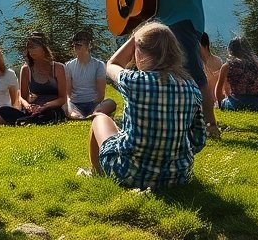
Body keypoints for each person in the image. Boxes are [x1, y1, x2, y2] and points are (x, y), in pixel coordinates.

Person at [117, 0, 219, 138]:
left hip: (182, 21)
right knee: (176, 73)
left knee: (194, 73)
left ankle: (211, 126)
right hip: (174, 20)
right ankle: (186, 124)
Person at [88, 20, 207, 189]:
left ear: (140, 51)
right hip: (178, 177)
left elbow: (112, 65)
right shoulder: (191, 86)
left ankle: (96, 172)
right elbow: (199, 141)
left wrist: (134, 38)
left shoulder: (134, 81)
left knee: (99, 118)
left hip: (129, 174)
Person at [0, 33, 69, 125]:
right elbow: (23, 97)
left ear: (44, 48)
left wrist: (45, 106)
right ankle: (31, 118)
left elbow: (62, 98)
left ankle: (27, 119)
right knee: (4, 110)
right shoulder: (26, 69)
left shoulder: (57, 68)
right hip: (34, 107)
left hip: (52, 107)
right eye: (29, 48)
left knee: (49, 114)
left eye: (34, 47)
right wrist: (28, 106)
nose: (31, 51)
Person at [216, 38, 258, 111]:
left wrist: (221, 103)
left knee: (225, 102)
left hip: (236, 104)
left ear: (230, 50)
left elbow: (219, 90)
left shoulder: (227, 66)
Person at [65, 31, 116, 119]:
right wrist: (69, 104)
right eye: (74, 45)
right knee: (66, 105)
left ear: (88, 46)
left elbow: (101, 93)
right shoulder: (69, 65)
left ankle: (95, 113)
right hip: (75, 104)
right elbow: (68, 93)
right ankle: (77, 115)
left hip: (93, 103)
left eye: (79, 45)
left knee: (111, 103)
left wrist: (96, 105)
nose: (75, 47)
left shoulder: (98, 65)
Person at [199, 33, 224, 101]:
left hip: (215, 100)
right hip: (201, 100)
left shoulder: (217, 61)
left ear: (205, 46)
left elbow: (224, 83)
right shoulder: (196, 62)